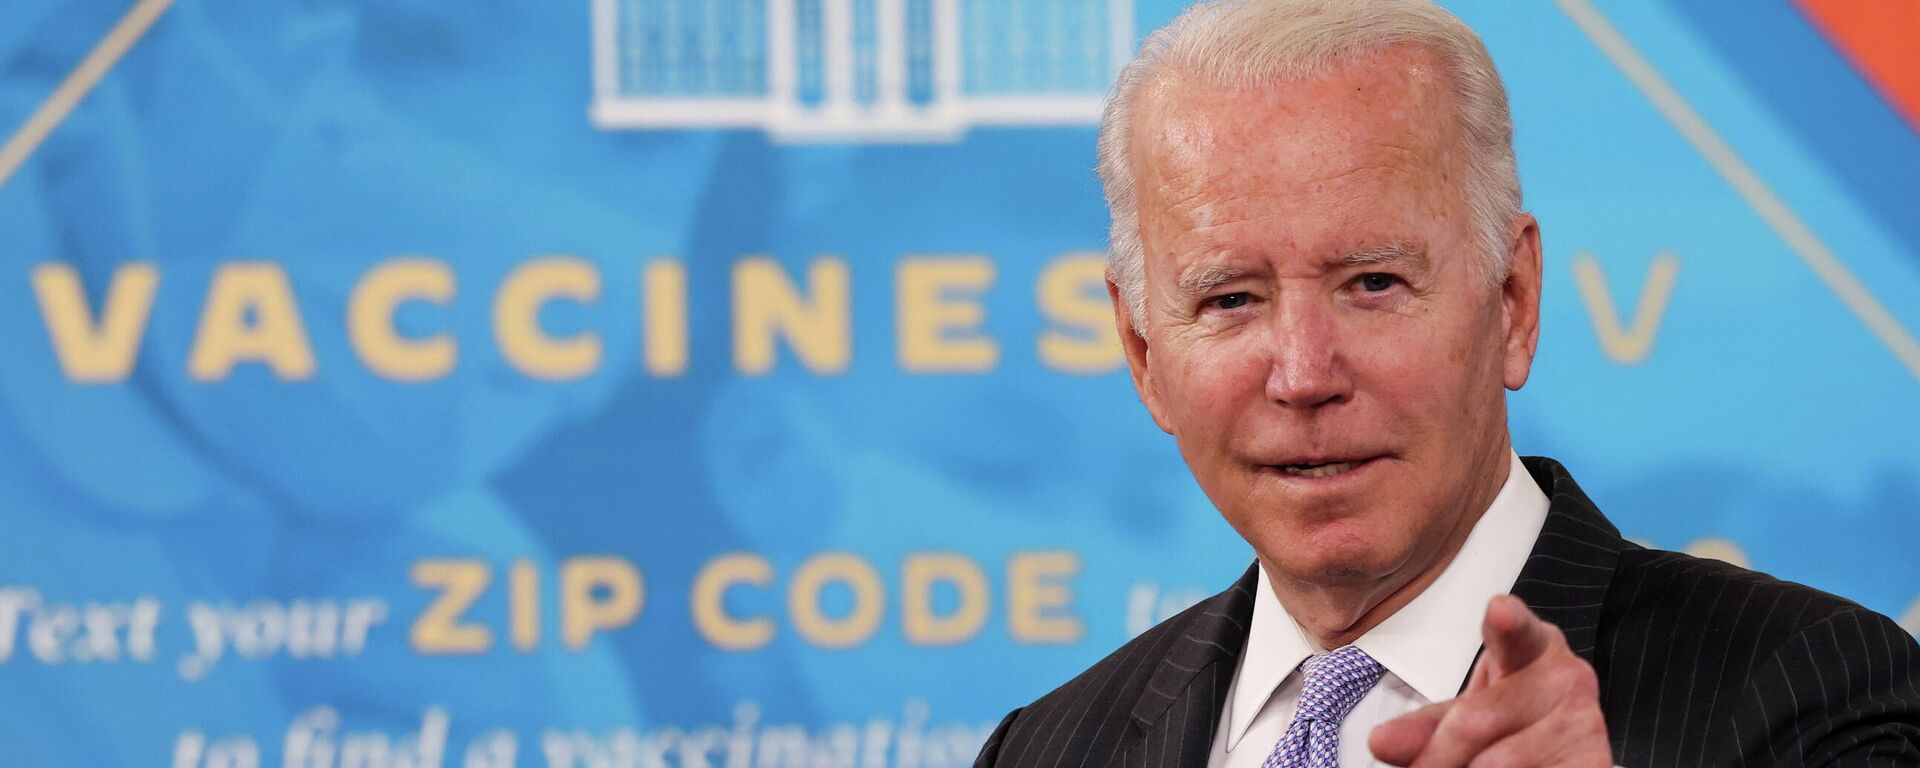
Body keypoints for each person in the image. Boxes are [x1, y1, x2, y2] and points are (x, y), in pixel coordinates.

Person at [970, 1, 1920, 766]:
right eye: (1229, 299)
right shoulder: (1049, 747)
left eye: (1373, 284)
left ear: (1512, 301)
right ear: (1144, 354)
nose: (1302, 376)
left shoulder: (1818, 696)